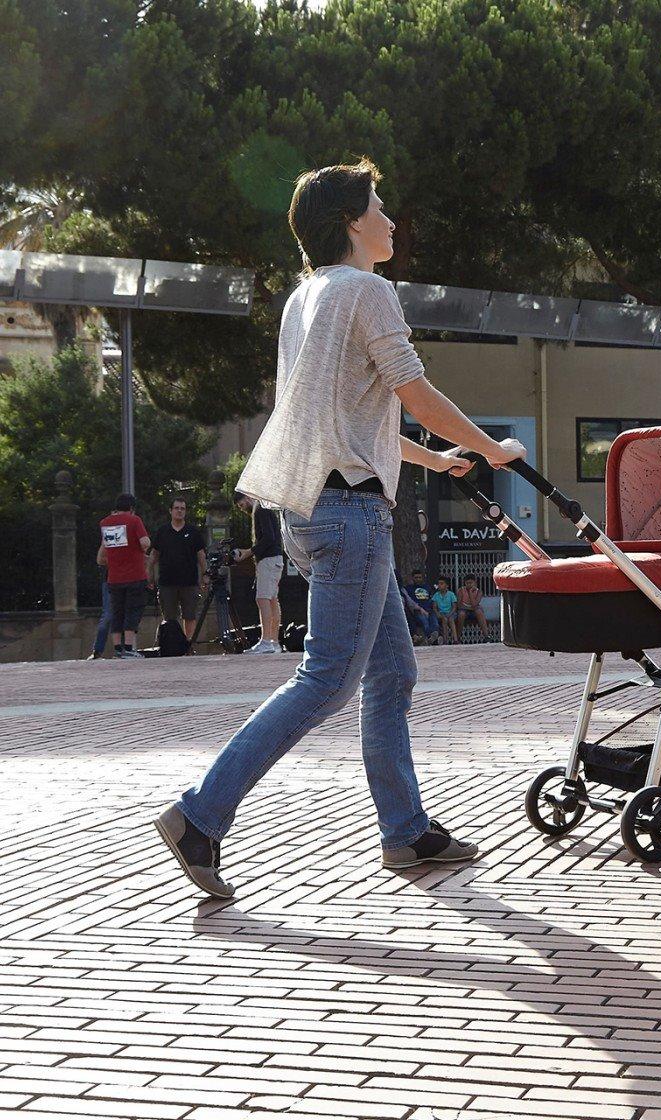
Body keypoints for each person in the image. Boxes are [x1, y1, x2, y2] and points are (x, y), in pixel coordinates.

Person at [153, 157, 526, 899]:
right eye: (379, 207)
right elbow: (415, 392)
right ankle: (200, 816)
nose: (390, 220)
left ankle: (406, 832)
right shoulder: (368, 290)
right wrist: (490, 450)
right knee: (326, 679)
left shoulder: (306, 299)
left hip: (310, 506)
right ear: (352, 222)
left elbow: (352, 417)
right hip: (351, 513)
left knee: (392, 672)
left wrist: (434, 459)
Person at [97, 494, 152, 658]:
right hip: (135, 575)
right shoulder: (134, 521)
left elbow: (104, 553)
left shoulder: (105, 523)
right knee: (132, 611)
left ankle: (117, 649)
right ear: (132, 508)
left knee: (117, 612)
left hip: (114, 577)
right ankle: (128, 648)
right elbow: (145, 542)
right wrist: (142, 550)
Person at [148, 496, 207, 643]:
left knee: (190, 616)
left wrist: (205, 575)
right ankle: (171, 645)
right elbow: (154, 555)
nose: (180, 511)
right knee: (169, 619)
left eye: (182, 508)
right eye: (177, 508)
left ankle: (189, 646)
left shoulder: (193, 531)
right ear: (170, 510)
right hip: (167, 582)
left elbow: (201, 555)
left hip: (189, 582)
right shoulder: (163, 531)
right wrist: (149, 574)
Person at [233, 492, 285, 654]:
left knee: (262, 599)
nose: (242, 509)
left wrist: (248, 553)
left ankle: (266, 641)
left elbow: (268, 538)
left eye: (241, 505)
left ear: (247, 498)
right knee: (272, 600)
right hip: (275, 559)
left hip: (268, 560)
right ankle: (274, 642)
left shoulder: (259, 509)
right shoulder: (265, 506)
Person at [400, 569, 440, 646]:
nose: (418, 579)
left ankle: (433, 638)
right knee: (425, 622)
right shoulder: (408, 589)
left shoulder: (427, 587)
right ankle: (432, 638)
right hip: (418, 611)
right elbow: (410, 602)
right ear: (412, 578)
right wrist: (419, 608)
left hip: (429, 610)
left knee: (435, 623)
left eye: (419, 577)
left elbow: (431, 599)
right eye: (416, 577)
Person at [86, 559, 112, 660]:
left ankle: (125, 649)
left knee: (125, 615)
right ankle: (97, 651)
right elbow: (100, 559)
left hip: (128, 579)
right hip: (111, 579)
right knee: (108, 615)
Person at [457, 575, 491, 640]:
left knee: (479, 612)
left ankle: (486, 636)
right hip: (463, 609)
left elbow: (474, 604)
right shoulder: (461, 591)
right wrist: (470, 608)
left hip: (473, 610)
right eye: (467, 583)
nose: (469, 585)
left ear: (475, 583)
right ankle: (458, 637)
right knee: (461, 614)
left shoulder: (479, 592)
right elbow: (459, 605)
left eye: (471, 583)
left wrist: (470, 593)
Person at [432, 577, 460, 643]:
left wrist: (450, 614)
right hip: (441, 613)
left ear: (447, 585)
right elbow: (434, 607)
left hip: (451, 612)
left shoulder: (451, 594)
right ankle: (445, 640)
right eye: (438, 584)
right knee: (444, 619)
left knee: (451, 620)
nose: (439, 585)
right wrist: (437, 613)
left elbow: (454, 607)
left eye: (442, 584)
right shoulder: (436, 595)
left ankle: (455, 639)